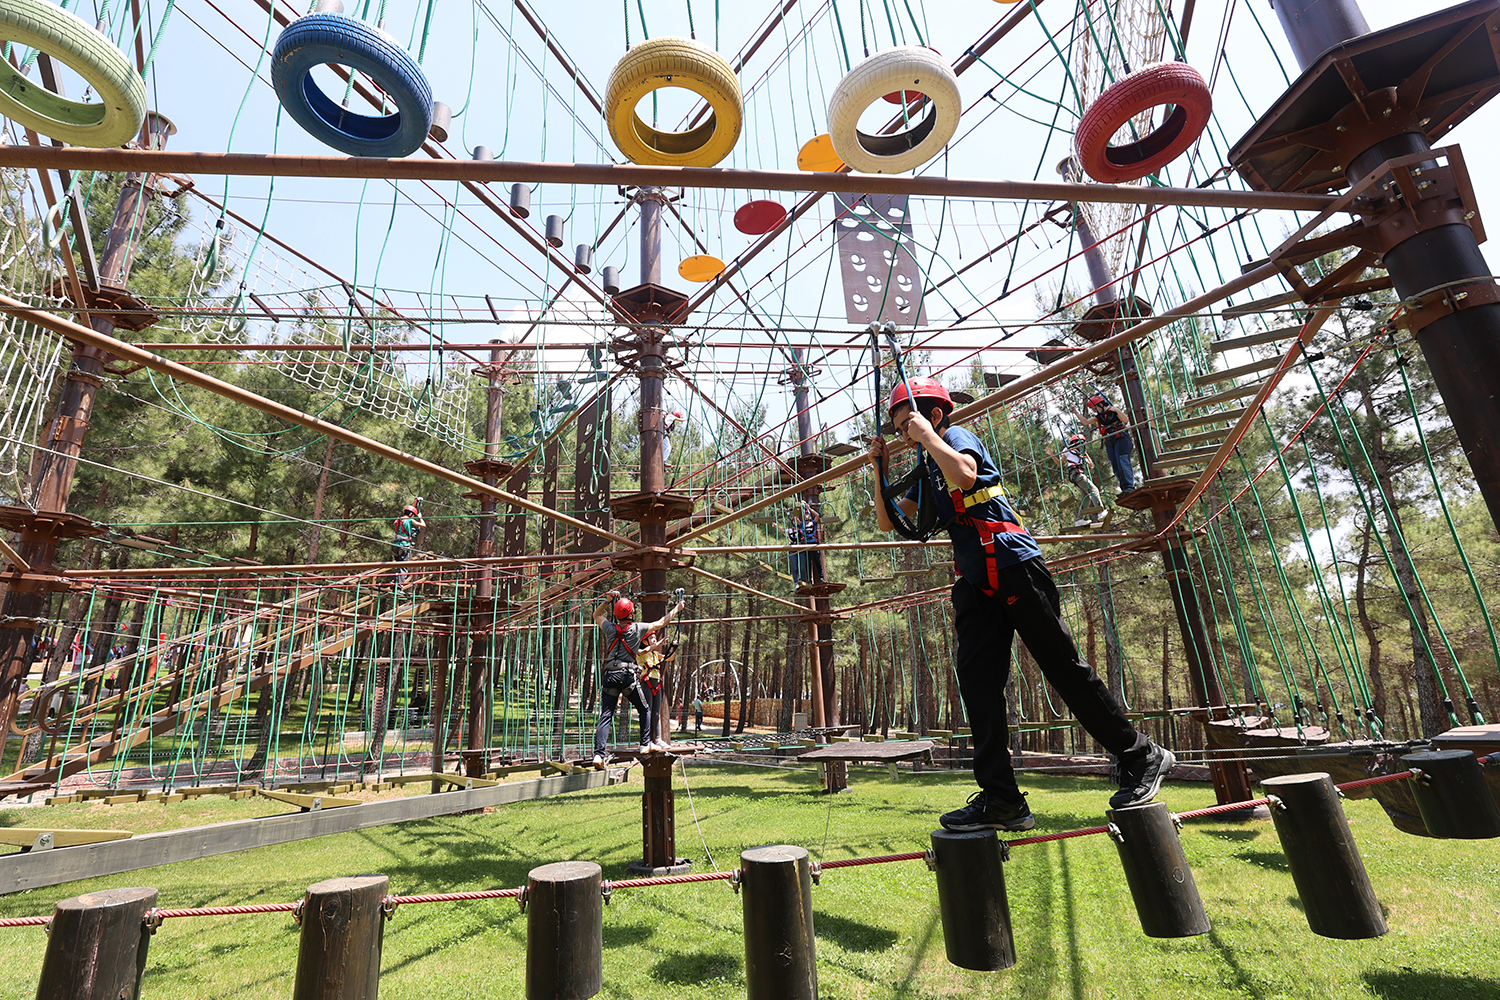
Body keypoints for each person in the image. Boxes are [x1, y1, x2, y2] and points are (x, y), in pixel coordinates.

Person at [868, 376, 1173, 831]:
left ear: (933, 414)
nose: (903, 434)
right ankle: (1002, 798)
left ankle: (1141, 755)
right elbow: (889, 521)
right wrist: (879, 468)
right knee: (977, 684)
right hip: (974, 578)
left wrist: (927, 437)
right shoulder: (927, 460)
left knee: (1062, 667)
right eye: (897, 429)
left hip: (1011, 562)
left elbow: (966, 476)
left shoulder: (953, 437)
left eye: (906, 424)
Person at [592, 589, 686, 764]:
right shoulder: (637, 628)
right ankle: (645, 744)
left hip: (610, 674)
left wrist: (607, 600)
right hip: (627, 675)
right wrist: (677, 609)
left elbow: (596, 615)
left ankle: (598, 754)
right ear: (631, 613)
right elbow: (660, 623)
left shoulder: (610, 628)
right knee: (644, 709)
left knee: (606, 715)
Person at [1082, 394, 1135, 493]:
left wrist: (1117, 410)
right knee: (1115, 465)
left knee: (1122, 462)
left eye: (1095, 408)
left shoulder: (1113, 411)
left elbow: (1126, 420)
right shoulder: (1100, 417)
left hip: (1121, 438)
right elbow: (1086, 422)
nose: (1094, 410)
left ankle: (1129, 487)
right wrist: (1075, 412)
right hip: (1110, 440)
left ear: (1101, 404)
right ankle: (1125, 488)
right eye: (1093, 409)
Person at [1053, 432, 1105, 527]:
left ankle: (1079, 520)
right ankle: (1100, 511)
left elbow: (1091, 465)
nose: (1081, 446)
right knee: (1094, 490)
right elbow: (1060, 463)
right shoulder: (1068, 450)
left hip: (1080, 475)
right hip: (1076, 474)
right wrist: (1052, 455)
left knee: (1087, 497)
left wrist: (1085, 454)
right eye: (1080, 444)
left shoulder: (1081, 454)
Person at [391, 498, 425, 587]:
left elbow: (408, 512)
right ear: (410, 514)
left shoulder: (398, 520)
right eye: (413, 515)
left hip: (395, 546)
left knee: (400, 566)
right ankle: (398, 586)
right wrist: (420, 517)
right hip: (404, 545)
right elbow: (423, 525)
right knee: (404, 567)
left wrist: (414, 503)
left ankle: (394, 582)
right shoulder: (410, 520)